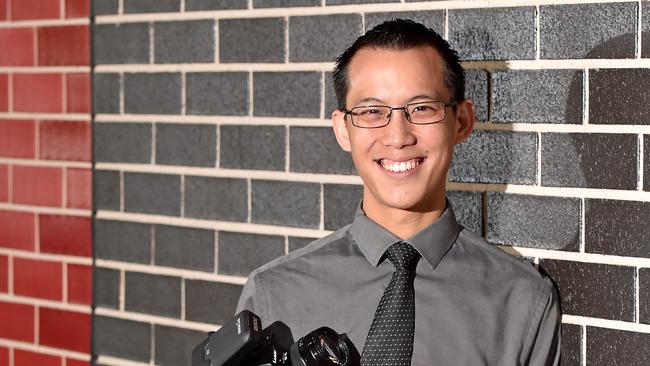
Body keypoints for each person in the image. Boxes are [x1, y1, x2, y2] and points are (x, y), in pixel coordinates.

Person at [236, 19, 560, 365]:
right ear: (343, 129)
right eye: (372, 111)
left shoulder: (523, 299)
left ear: (461, 121)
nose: (398, 136)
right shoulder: (274, 294)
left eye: (421, 108)